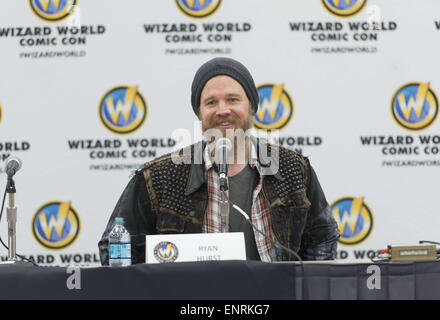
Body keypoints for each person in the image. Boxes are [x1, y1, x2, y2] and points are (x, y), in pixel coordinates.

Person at [98, 57, 340, 265]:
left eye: (233, 100)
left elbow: (322, 235)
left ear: (252, 107)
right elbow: (115, 247)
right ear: (199, 113)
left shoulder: (291, 167)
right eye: (211, 102)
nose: (222, 110)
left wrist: (304, 288)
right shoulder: (160, 177)